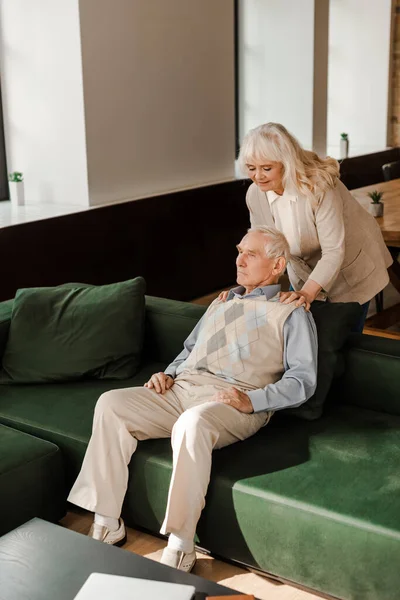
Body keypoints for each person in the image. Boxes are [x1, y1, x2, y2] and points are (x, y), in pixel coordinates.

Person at [67, 227, 317, 573]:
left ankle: (182, 543)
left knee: (193, 422)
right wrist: (167, 373)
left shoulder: (292, 313)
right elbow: (188, 351)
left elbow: (303, 381)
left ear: (277, 266)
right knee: (111, 404)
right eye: (239, 250)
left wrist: (254, 400)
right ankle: (108, 521)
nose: (239, 259)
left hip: (233, 401)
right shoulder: (222, 301)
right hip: (182, 389)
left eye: (251, 254)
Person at [238, 122, 393, 332]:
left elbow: (333, 251)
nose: (258, 176)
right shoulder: (255, 195)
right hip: (303, 271)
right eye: (251, 168)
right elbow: (265, 250)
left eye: (266, 168)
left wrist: (306, 293)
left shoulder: (318, 187)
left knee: (342, 341)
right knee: (301, 336)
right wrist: (249, 290)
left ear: (286, 162)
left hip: (351, 268)